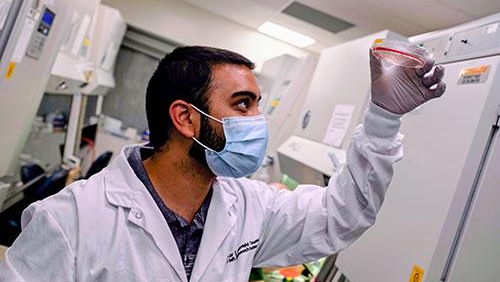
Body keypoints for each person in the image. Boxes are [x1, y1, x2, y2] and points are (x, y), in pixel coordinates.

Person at [0, 46, 446, 281]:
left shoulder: (250, 207)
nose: (259, 121)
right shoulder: (70, 220)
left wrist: (384, 120)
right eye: (243, 104)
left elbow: (342, 216)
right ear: (186, 118)